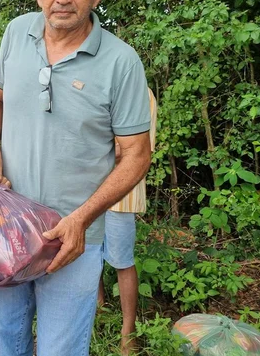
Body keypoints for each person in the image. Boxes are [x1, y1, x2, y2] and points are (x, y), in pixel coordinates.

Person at [0, 0, 152, 356]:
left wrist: (83, 219)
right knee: (8, 343)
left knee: (61, 350)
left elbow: (136, 154)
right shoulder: (16, 33)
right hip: (5, 226)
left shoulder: (121, 62)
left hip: (72, 240)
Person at [98, 87, 157, 354]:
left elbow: (135, 149)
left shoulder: (141, 94)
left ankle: (128, 332)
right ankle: (99, 310)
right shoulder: (95, 82)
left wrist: (90, 149)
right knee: (88, 252)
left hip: (123, 192)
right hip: (86, 189)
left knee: (122, 260)